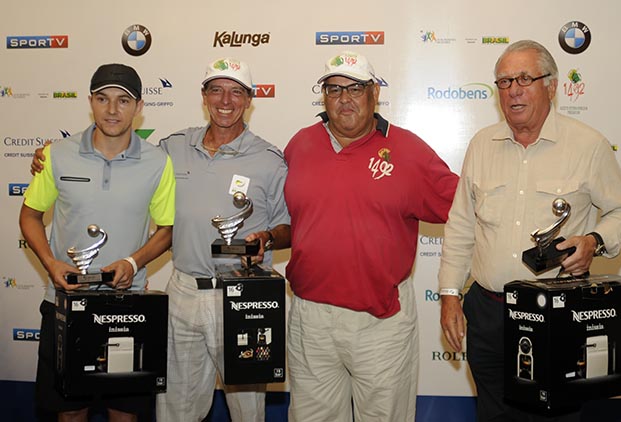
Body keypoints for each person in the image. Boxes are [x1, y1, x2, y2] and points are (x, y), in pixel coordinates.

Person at [31, 58, 291, 421]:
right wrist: (46, 155)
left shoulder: (270, 159)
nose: (225, 100)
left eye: (236, 92)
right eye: (216, 90)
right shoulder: (172, 149)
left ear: (250, 99)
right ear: (204, 97)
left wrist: (268, 238)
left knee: (247, 410)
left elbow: (287, 228)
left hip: (242, 297)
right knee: (176, 410)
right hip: (184, 290)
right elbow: (119, 151)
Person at [438, 40, 621, 422]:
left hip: (556, 316)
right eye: (503, 81)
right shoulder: (481, 144)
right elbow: (462, 224)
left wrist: (594, 241)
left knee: (554, 418)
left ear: (551, 85)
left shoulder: (588, 145)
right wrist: (450, 294)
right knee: (493, 413)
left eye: (525, 78)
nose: (513, 89)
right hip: (487, 314)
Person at [283, 51, 458, 421]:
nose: (344, 98)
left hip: (380, 322)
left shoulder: (408, 151)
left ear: (374, 93)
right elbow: (287, 220)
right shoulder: (300, 145)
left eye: (355, 88)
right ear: (323, 96)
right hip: (310, 319)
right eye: (333, 89)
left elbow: (464, 212)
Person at [19, 63, 176, 422]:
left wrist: (134, 263)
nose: (112, 110)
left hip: (128, 307)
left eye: (124, 101)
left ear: (139, 107)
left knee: (125, 414)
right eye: (103, 99)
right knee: (70, 413)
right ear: (90, 101)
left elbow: (167, 229)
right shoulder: (57, 153)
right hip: (64, 305)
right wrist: (50, 262)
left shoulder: (158, 162)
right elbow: (29, 216)